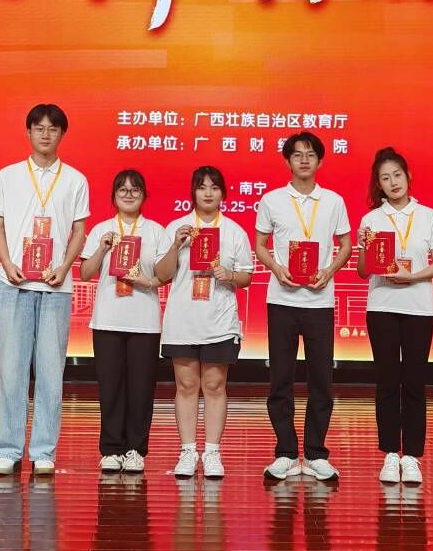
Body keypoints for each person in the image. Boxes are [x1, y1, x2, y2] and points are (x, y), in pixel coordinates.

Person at [0, 103, 91, 475]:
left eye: (53, 128)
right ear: (29, 132)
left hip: (55, 288)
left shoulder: (75, 179)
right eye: (39, 128)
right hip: (13, 283)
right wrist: (6, 263)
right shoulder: (8, 175)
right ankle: (9, 449)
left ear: (62, 134)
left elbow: (78, 231)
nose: (46, 134)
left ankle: (44, 450)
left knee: (50, 371)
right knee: (11, 370)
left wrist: (64, 267)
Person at [254, 131, 353, 482]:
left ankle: (315, 453)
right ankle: (284, 452)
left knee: (321, 380)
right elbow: (261, 244)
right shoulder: (272, 200)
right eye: (297, 154)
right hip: (282, 300)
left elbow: (345, 244)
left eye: (311, 154)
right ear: (288, 161)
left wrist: (329, 270)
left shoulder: (333, 201)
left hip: (319, 301)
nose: (304, 160)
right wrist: (276, 267)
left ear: (320, 160)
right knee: (280, 379)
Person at [355, 147, 433, 486]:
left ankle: (412, 456)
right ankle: (390, 453)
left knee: (414, 381)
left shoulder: (428, 216)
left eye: (397, 175)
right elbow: (363, 271)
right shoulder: (372, 219)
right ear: (378, 185)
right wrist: (364, 246)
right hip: (382, 307)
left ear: (408, 176)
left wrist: (412, 276)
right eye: (385, 178)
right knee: (386, 381)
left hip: (418, 308)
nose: (393, 182)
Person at [156, 166, 254, 479]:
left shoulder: (234, 231)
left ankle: (212, 452)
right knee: (186, 386)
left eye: (214, 187)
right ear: (193, 192)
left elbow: (247, 277)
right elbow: (162, 274)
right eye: (202, 187)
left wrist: (230, 275)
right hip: (183, 320)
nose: (208, 193)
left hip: (219, 321)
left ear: (223, 193)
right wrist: (175, 245)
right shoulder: (177, 227)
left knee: (214, 385)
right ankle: (187, 451)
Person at [80, 169, 169, 474]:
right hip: (108, 320)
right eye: (123, 190)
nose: (129, 194)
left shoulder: (155, 231)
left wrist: (146, 278)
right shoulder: (102, 229)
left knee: (142, 389)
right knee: (110, 387)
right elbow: (85, 273)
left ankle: (135, 450)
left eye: (135, 190)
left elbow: (164, 275)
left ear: (144, 195)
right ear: (114, 196)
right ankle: (111, 449)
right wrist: (103, 247)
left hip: (144, 321)